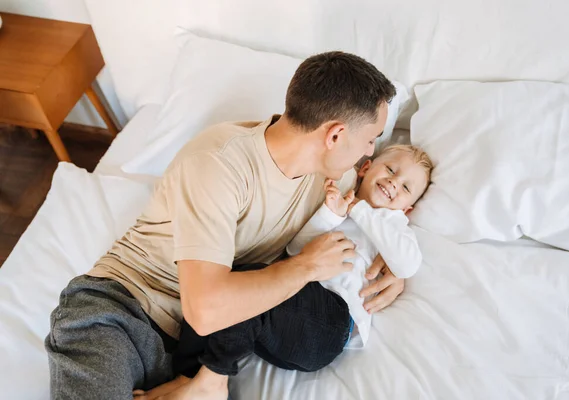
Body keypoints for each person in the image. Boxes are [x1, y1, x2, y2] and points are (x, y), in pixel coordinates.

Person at [45, 51, 401, 400]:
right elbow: (205, 310)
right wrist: (306, 265)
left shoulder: (334, 180)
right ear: (335, 136)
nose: (369, 153)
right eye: (371, 139)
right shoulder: (218, 164)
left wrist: (395, 267)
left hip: (196, 346)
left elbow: (383, 212)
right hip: (123, 309)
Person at [135, 145, 433, 400]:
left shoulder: (394, 225)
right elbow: (296, 251)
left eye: (406, 187)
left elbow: (406, 263)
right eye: (391, 170)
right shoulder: (339, 201)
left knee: (252, 289)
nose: (394, 183)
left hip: (331, 322)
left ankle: (211, 381)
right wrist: (331, 214)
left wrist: (359, 210)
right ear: (366, 167)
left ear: (407, 209)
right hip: (290, 317)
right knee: (232, 285)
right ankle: (188, 375)